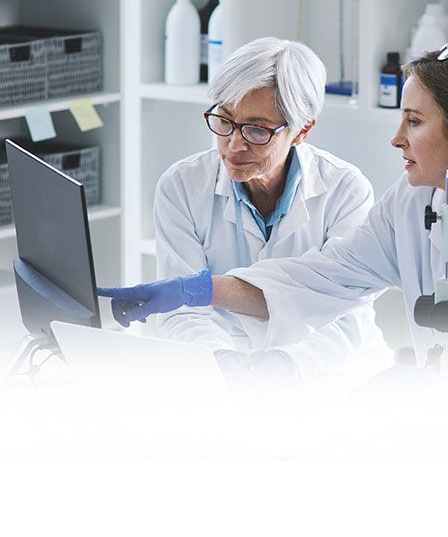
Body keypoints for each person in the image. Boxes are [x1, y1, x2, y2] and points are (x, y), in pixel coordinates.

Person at [99, 41, 448, 373]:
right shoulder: (410, 205)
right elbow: (316, 281)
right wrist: (196, 290)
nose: (396, 139)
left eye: (415, 122)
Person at [99, 37, 390, 380]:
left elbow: (345, 316)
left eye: (256, 130)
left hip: (331, 372)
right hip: (227, 366)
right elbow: (184, 313)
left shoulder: (345, 191)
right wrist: (220, 361)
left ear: (302, 130)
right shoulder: (182, 185)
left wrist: (286, 366)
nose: (234, 145)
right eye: (224, 120)